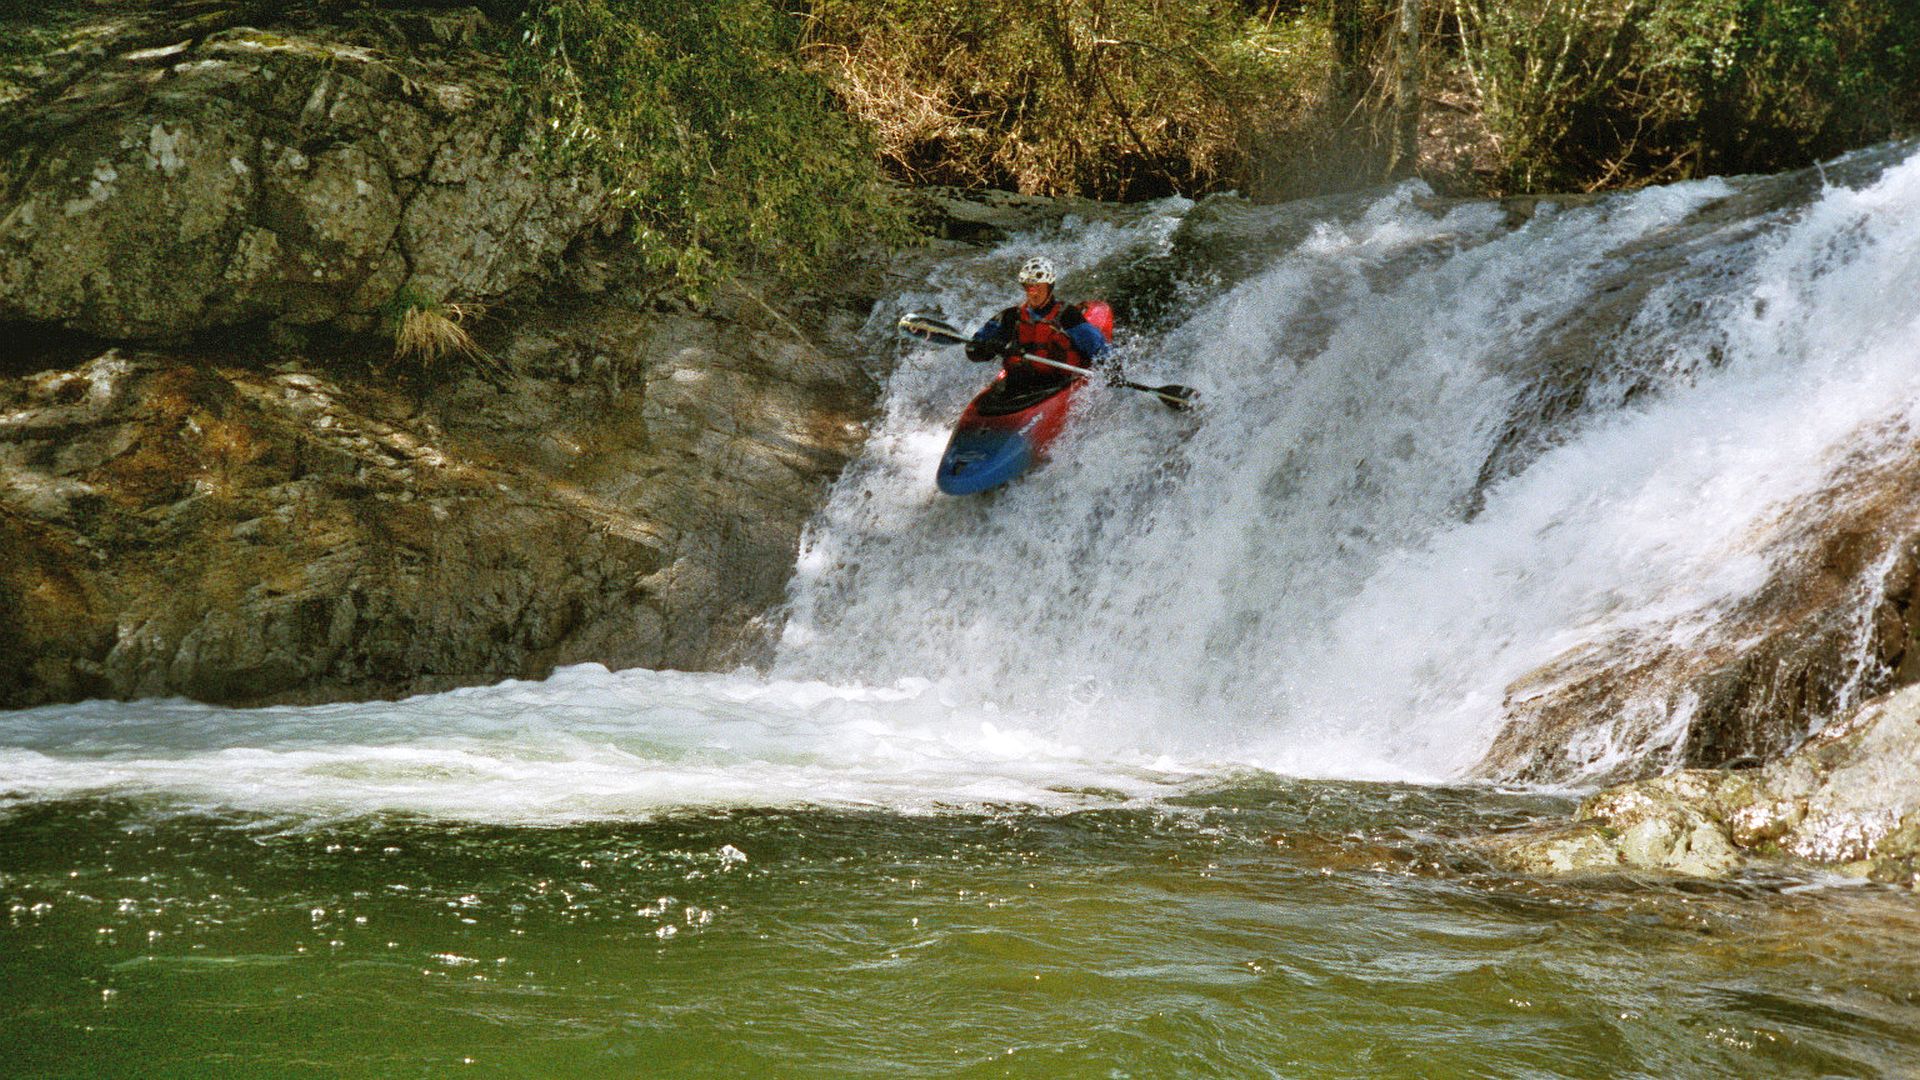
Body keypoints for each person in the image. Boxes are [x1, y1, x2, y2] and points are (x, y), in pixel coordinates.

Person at [965, 256, 1117, 404]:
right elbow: (973, 350)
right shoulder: (1010, 316)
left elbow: (1098, 348)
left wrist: (1114, 372)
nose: (1034, 292)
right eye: (1029, 287)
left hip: (1055, 384)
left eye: (1039, 286)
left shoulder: (1067, 315)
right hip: (1018, 387)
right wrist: (987, 347)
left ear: (1049, 287)